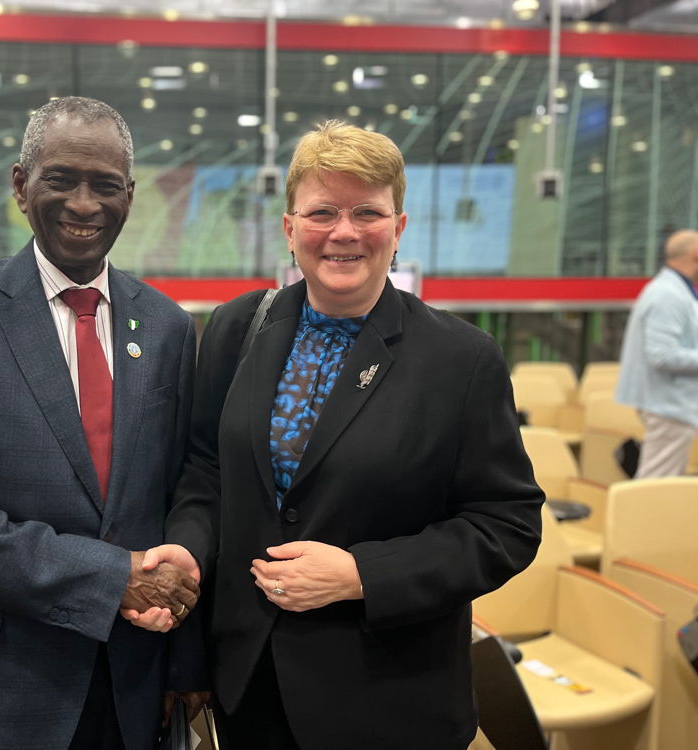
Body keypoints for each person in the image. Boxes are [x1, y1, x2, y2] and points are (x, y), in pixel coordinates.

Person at [141, 121, 544, 749]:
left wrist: (363, 574)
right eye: (323, 211)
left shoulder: (461, 359)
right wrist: (189, 548)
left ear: (400, 227)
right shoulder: (235, 327)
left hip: (389, 698)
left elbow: (507, 525)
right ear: (291, 227)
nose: (345, 232)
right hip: (251, 685)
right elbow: (207, 471)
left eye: (368, 212)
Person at [0, 97, 204, 750]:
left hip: (130, 689)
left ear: (130, 197)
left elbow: (182, 488)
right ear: (21, 186)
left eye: (105, 185)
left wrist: (185, 661)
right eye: (62, 179)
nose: (84, 204)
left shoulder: (167, 326)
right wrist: (108, 578)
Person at [616, 229, 698, 477]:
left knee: (660, 485)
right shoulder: (667, 295)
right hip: (668, 405)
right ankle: (638, 518)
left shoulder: (673, 291)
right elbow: (662, 355)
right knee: (655, 485)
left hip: (670, 403)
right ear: (695, 254)